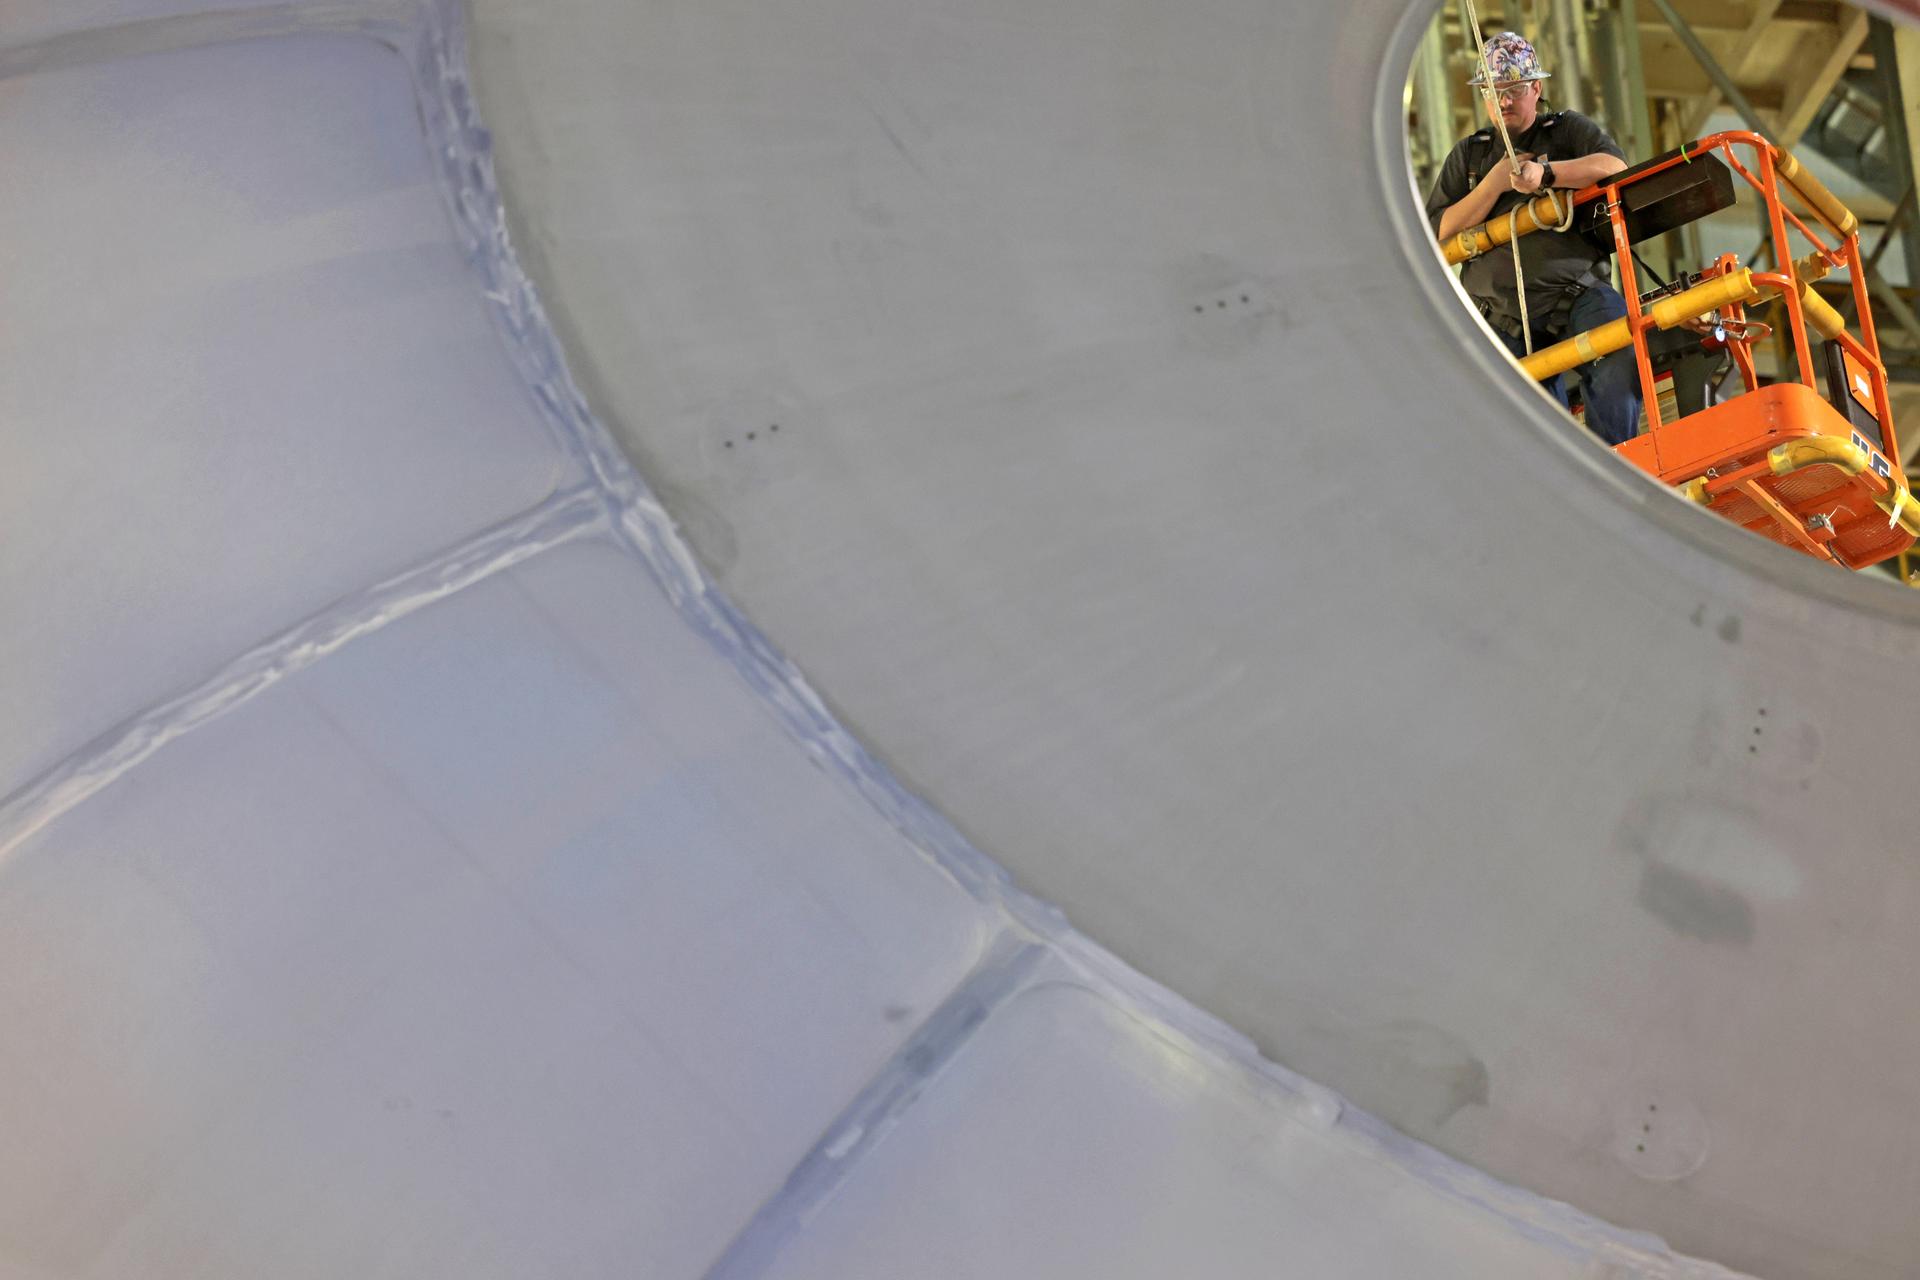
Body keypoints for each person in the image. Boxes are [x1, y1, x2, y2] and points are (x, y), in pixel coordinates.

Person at [1424, 32, 1639, 445]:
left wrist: (1548, 173)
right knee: (1528, 417)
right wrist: (1492, 185)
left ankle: (1619, 462)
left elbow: (1613, 165)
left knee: (1616, 348)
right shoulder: (1470, 157)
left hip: (1579, 293)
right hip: (1501, 313)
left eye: (1514, 89)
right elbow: (1436, 231)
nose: (1503, 101)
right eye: (1493, 91)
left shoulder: (1566, 131)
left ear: (1536, 89)